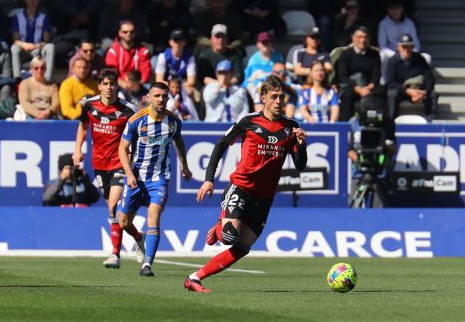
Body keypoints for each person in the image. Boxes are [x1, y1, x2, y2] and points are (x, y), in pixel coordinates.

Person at [187, 75, 307, 292]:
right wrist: (208, 180)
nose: (279, 101)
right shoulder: (248, 121)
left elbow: (300, 165)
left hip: (264, 197)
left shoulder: (291, 127)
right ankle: (219, 226)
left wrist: (301, 145)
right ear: (263, 98)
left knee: (243, 247)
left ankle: (195, 278)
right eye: (274, 97)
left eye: (282, 97)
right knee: (227, 237)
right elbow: (221, 144)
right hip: (241, 187)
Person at [118, 82, 192, 276]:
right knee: (123, 222)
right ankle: (139, 238)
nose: (161, 99)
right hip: (136, 176)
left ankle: (147, 265)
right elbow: (122, 149)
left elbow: (179, 142)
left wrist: (184, 165)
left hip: (159, 177)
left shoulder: (174, 121)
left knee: (154, 217)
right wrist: (129, 173)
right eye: (157, 96)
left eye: (164, 96)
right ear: (148, 98)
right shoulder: (137, 120)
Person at [72, 69, 142, 269]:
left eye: (112, 84)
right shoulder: (89, 105)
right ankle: (138, 237)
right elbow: (83, 126)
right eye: (105, 83)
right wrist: (78, 149)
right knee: (115, 214)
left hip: (120, 163)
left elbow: (137, 134)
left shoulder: (128, 109)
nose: (109, 88)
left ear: (117, 85)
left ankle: (114, 254)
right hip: (99, 164)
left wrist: (132, 159)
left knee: (113, 206)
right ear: (99, 85)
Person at [335, 26, 384, 121]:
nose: (362, 40)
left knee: (380, 93)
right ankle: (347, 124)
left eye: (365, 37)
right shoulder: (345, 54)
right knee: (347, 95)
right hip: (351, 86)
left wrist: (369, 87)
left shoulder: (374, 55)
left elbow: (376, 75)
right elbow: (343, 77)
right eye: (359, 37)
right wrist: (358, 89)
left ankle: (377, 123)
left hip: (368, 86)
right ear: (353, 38)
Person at [385, 34, 437, 120]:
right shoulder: (392, 61)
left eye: (409, 46)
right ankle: (392, 122)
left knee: (432, 94)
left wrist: (424, 92)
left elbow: (430, 77)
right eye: (404, 47)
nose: (406, 49)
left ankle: (430, 121)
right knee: (392, 93)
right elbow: (390, 82)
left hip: (419, 91)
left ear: (413, 47)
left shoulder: (420, 59)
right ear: (399, 47)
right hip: (402, 91)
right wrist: (408, 91)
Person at [10, 0, 54, 80]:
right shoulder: (18, 17)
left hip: (38, 49)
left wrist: (37, 46)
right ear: (25, 0)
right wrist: (25, 45)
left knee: (50, 47)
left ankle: (47, 78)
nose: (32, 1)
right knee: (14, 48)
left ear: (38, 0)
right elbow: (15, 40)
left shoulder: (43, 17)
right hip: (23, 48)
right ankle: (17, 79)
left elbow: (46, 40)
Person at [104, 20, 151, 89]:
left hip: (138, 85)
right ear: (119, 33)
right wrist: (123, 84)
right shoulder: (113, 50)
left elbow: (146, 71)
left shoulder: (143, 50)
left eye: (131, 32)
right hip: (119, 85)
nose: (128, 34)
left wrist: (138, 84)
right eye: (125, 32)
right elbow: (111, 73)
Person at [154, 29, 196, 93]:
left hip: (183, 87)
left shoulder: (190, 57)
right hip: (167, 87)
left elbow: (191, 81)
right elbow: (159, 80)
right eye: (176, 40)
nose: (178, 43)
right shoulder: (163, 56)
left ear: (184, 42)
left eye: (180, 40)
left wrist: (177, 87)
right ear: (170, 42)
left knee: (190, 91)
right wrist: (172, 87)